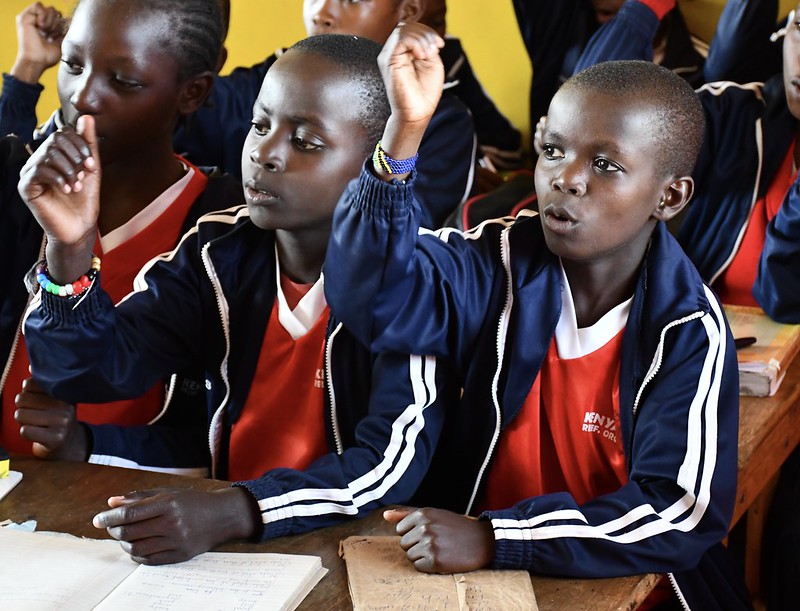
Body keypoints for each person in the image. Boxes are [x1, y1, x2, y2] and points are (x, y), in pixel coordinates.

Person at [323, 23, 750, 610]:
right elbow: (369, 300)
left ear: (669, 197)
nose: (566, 178)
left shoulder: (688, 328)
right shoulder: (489, 261)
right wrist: (403, 134)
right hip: (474, 579)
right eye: (554, 150)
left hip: (626, 585)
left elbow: (676, 511)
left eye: (605, 164)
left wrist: (500, 536)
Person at [20, 32, 456, 565]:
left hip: (372, 554)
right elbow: (89, 372)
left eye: (307, 142)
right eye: (260, 124)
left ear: (374, 159)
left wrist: (235, 509)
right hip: (236, 550)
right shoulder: (217, 253)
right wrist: (70, 247)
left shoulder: (415, 281)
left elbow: (387, 467)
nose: (265, 153)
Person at [0, 0, 242, 460]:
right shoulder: (13, 182)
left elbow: (216, 435)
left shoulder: (223, 229)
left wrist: (87, 445)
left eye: (124, 82)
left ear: (192, 92)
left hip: (132, 514)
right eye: (72, 64)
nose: (82, 97)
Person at [2, 0, 476, 229]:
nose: (323, 12)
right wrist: (26, 75)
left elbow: (400, 235)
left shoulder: (437, 122)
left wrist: (405, 131)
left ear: (406, 9)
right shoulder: (258, 84)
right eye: (260, 125)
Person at [418, 0, 523, 174]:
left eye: (438, 22)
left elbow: (509, 150)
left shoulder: (448, 59)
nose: (434, 39)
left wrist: (469, 159)